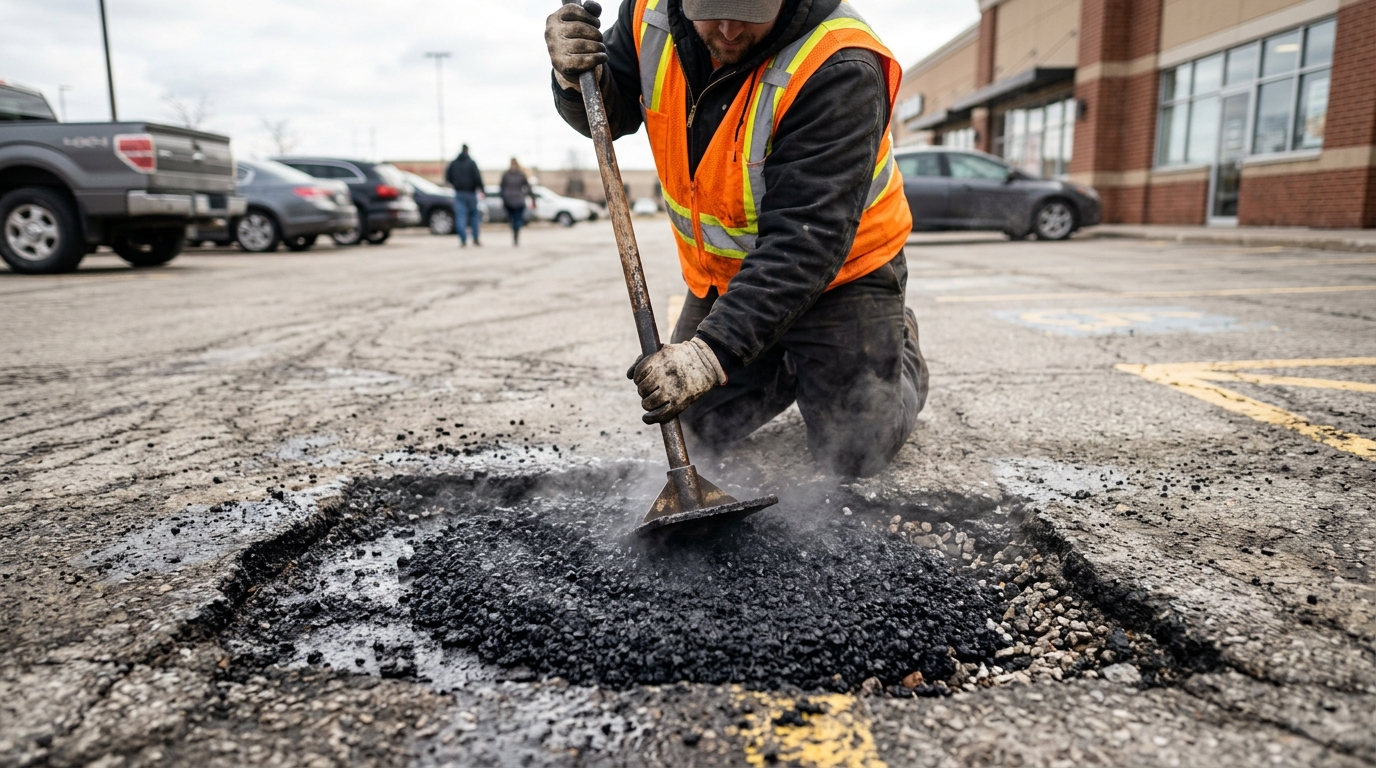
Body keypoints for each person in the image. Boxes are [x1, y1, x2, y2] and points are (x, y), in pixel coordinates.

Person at [546, 0, 928, 477]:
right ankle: (786, 359)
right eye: (711, 10)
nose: (727, 30)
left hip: (843, 270)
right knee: (691, 427)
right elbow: (610, 113)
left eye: (748, 12)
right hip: (731, 278)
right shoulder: (650, 14)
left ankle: (899, 340)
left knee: (852, 453)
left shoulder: (840, 62)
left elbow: (805, 241)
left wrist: (711, 354)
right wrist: (576, 78)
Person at [445, 144, 484, 247]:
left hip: (459, 193)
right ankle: (475, 238)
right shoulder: (471, 163)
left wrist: (455, 184)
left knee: (460, 217)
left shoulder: (454, 163)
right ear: (467, 150)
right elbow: (477, 177)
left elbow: (448, 177)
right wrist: (481, 189)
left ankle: (463, 239)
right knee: (474, 217)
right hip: (471, 193)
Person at [500, 159, 534, 245]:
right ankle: (516, 232)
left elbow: (528, 187)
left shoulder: (514, 174)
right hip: (511, 201)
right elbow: (502, 188)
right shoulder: (508, 175)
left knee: (517, 219)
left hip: (517, 201)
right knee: (514, 220)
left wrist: (525, 194)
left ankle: (516, 233)